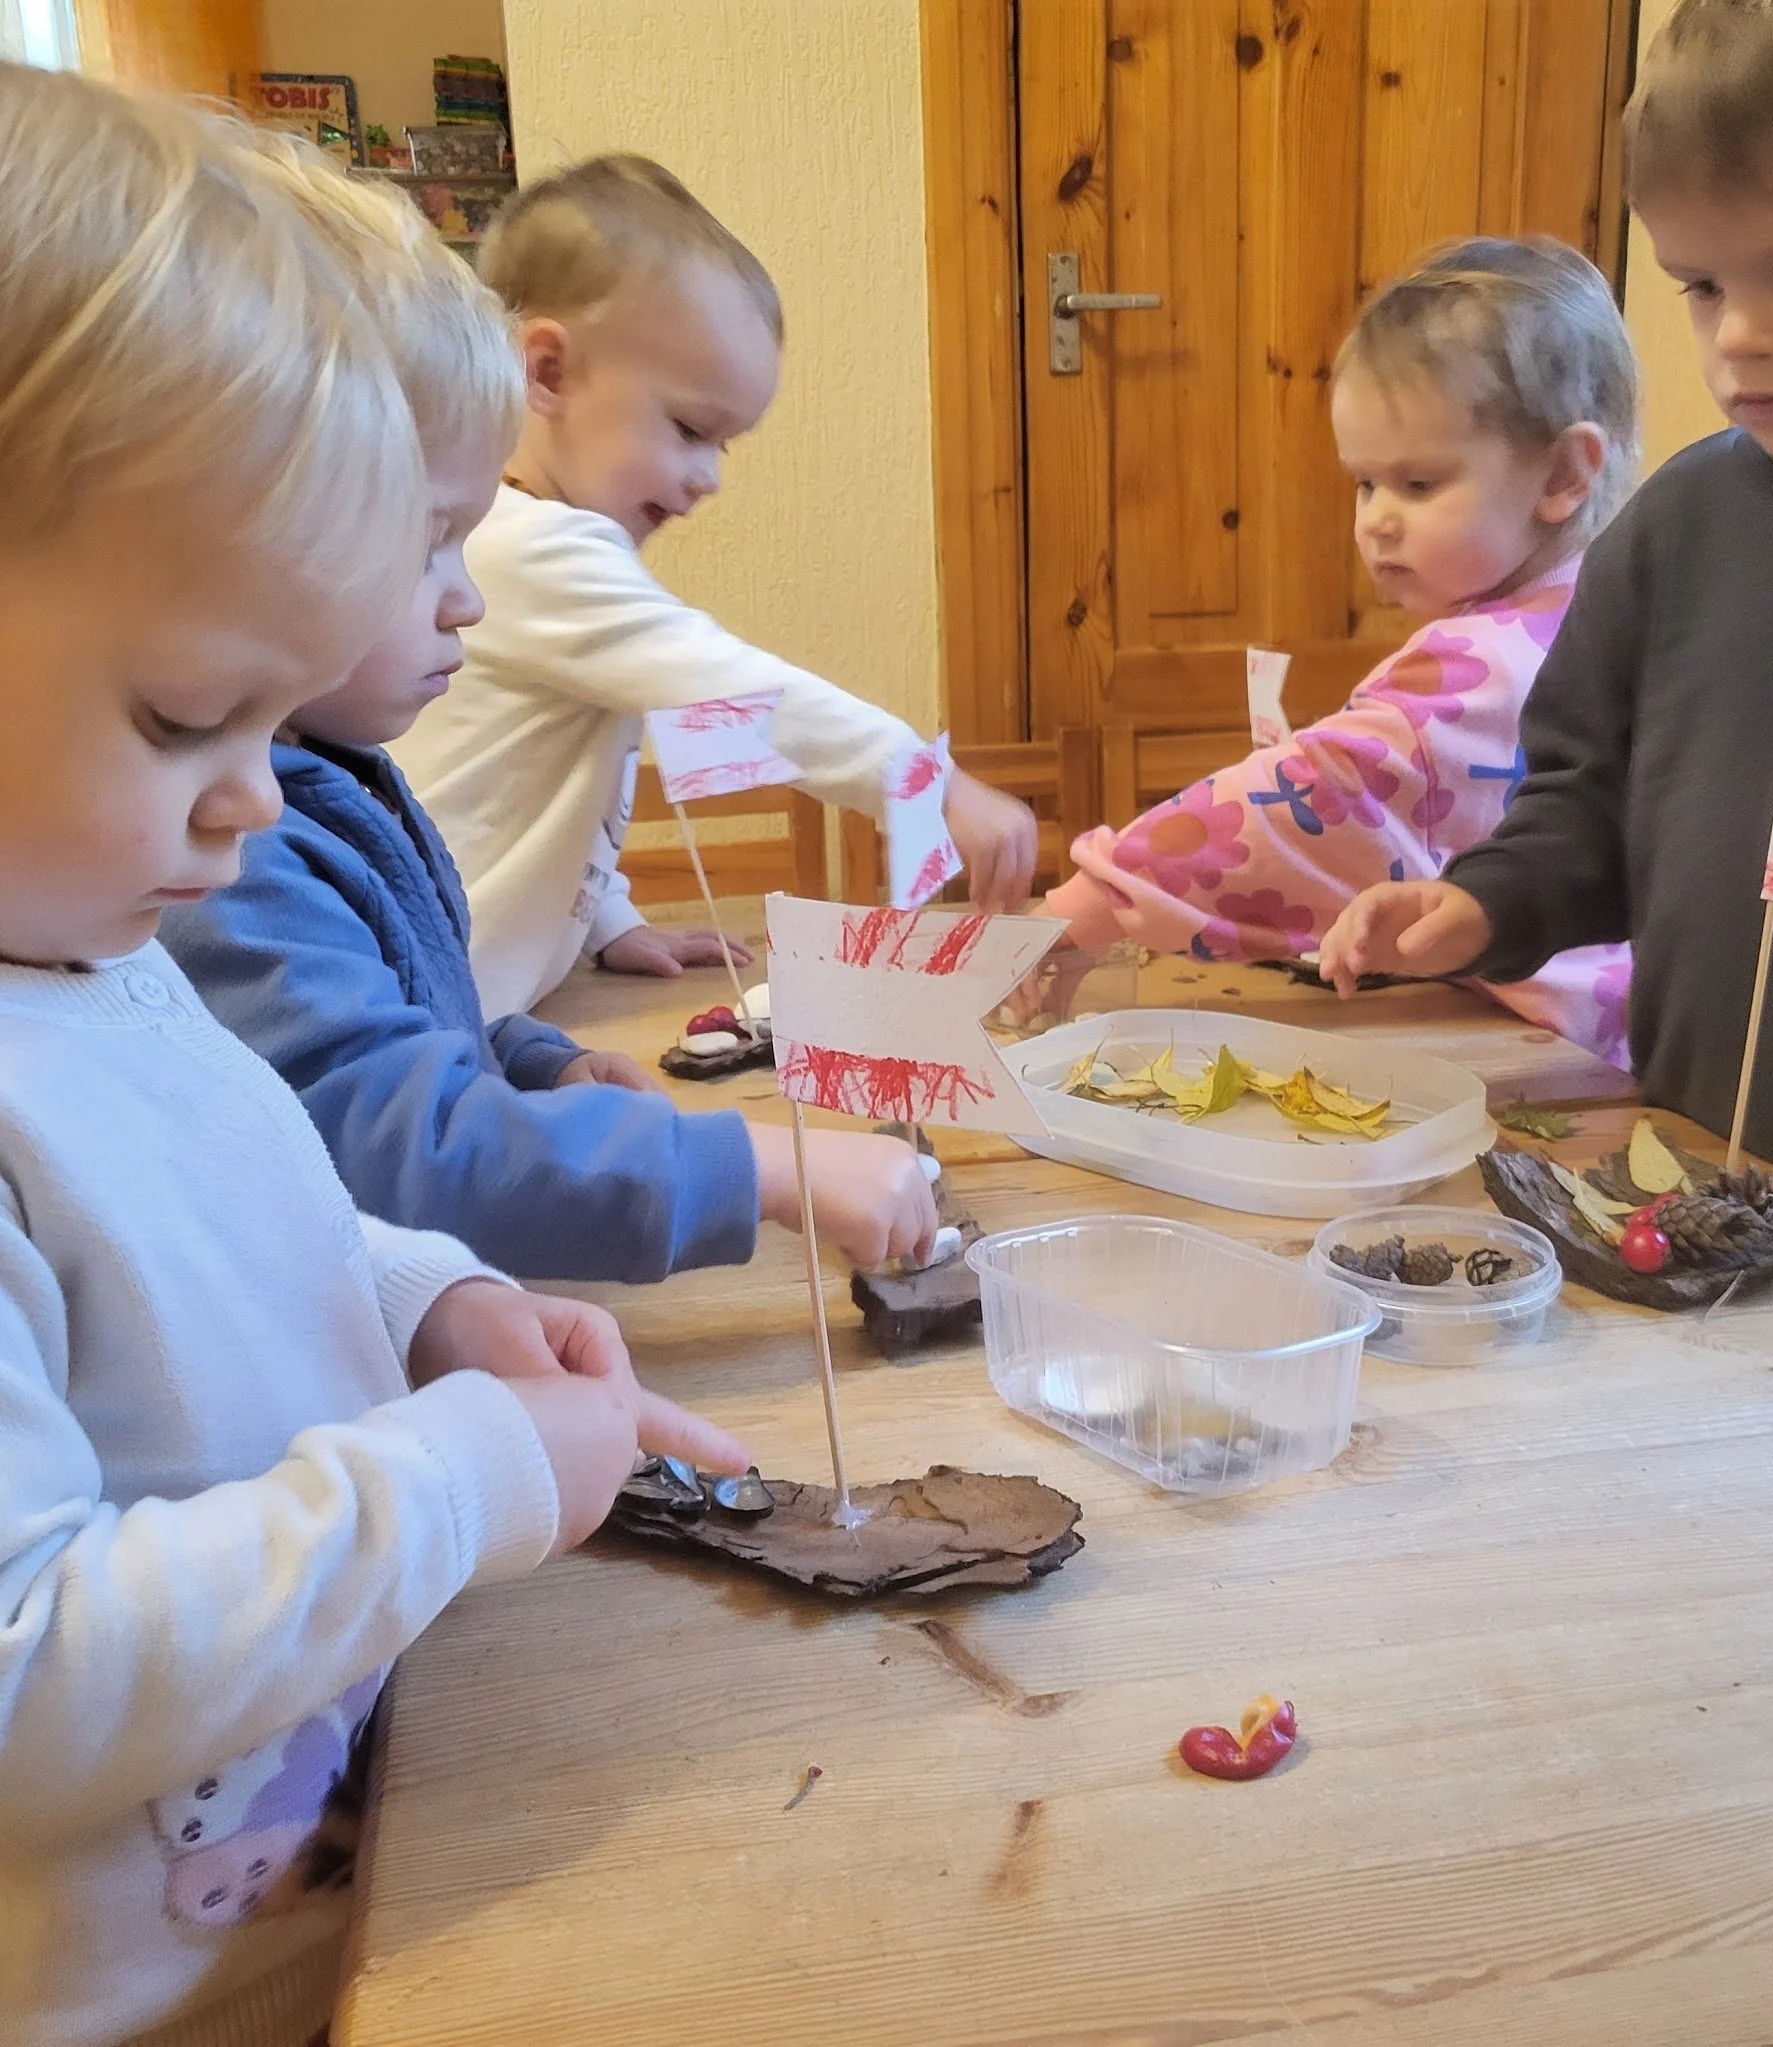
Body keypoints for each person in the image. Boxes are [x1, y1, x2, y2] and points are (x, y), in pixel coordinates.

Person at [0, 69, 743, 2047]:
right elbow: (27, 1672)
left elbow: (255, 1214)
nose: (255, 808)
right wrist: (471, 1471)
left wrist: (434, 1306)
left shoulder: (91, 939)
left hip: (357, 1912)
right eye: (183, 716)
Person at [1322, 0, 1773, 1305]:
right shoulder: (1679, 526)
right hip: (1699, 1210)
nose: (1734, 338)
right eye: (1700, 285)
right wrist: (1485, 903)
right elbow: (1588, 808)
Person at [162, 145, 939, 1285]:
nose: (466, 596)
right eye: (427, 543)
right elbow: (401, 1141)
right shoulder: (235, 849)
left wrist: (528, 1055)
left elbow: (416, 999)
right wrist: (761, 1167)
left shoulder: (335, 773)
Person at [388, 154, 1039, 1021]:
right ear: (545, 371)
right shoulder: (531, 549)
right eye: (691, 429)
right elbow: (736, 692)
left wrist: (606, 921)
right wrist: (927, 784)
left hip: (490, 1007)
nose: (707, 479)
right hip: (429, 1022)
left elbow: (536, 785)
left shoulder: (522, 545)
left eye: (722, 444)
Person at [1039, 238, 1637, 1064]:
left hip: (1554, 1056)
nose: (1375, 520)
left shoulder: (1479, 662)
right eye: (1364, 482)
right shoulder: (1608, 609)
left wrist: (1087, 905)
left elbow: (1314, 791)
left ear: (1564, 474)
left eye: (1418, 483)